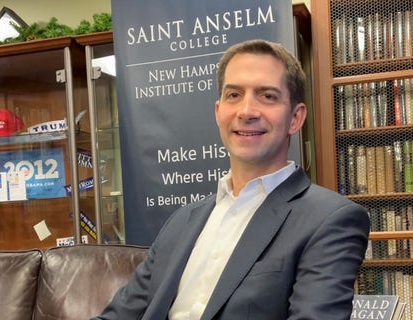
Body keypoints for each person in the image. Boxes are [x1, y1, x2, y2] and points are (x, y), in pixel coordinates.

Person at [93, 39, 370, 320]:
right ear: (218, 112)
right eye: (234, 95)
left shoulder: (329, 220)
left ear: (295, 118)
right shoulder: (181, 222)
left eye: (267, 96)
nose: (246, 111)